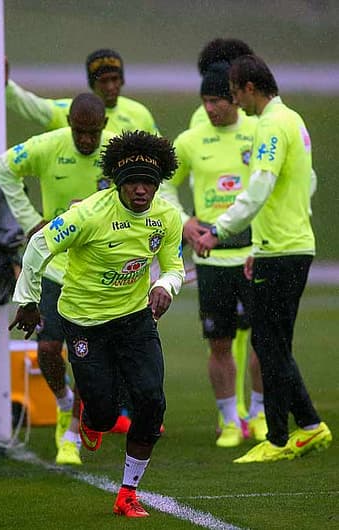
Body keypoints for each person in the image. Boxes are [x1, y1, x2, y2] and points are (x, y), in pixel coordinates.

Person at [9, 130, 185, 517]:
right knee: (104, 415)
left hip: (136, 319)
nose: (142, 191)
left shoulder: (166, 217)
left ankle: (127, 493)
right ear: (119, 184)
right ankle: (92, 412)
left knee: (152, 402)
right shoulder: (90, 213)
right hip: (85, 322)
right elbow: (39, 245)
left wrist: (164, 286)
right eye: (134, 183)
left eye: (149, 183)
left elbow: (174, 267)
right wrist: (28, 301)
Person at [196, 55, 332, 463]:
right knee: (272, 343)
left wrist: (219, 230)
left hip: (284, 251)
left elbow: (260, 187)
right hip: (284, 246)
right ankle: (292, 431)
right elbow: (305, 182)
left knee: (270, 344)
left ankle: (292, 432)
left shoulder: (272, 125)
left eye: (236, 94)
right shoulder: (294, 120)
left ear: (250, 89)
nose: (235, 104)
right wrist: (258, 245)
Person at [0, 93, 114, 465]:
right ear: (69, 126)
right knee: (47, 350)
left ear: (104, 128)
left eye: (92, 133)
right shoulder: (48, 147)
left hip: (95, 271)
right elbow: (4, 167)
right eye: (78, 132)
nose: (85, 140)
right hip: (53, 267)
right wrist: (32, 222)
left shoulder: (115, 153)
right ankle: (64, 402)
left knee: (88, 357)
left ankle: (72, 433)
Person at [159, 61, 265, 448]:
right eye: (204, 100)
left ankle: (259, 415)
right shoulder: (189, 140)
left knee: (263, 340)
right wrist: (186, 221)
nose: (210, 108)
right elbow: (164, 186)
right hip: (211, 260)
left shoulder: (258, 132)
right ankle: (230, 420)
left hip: (253, 254)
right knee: (219, 343)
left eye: (217, 100)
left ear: (235, 99)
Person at [189, 38, 257, 428]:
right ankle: (238, 413)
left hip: (246, 245)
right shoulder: (204, 122)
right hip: (216, 245)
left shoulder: (252, 124)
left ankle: (245, 412)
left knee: (245, 337)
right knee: (233, 338)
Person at [5, 48, 158, 135]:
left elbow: (159, 158)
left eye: (115, 79)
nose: (110, 87)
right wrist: (4, 83)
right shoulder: (70, 110)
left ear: (122, 80)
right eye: (103, 81)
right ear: (92, 84)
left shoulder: (139, 113)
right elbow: (28, 104)